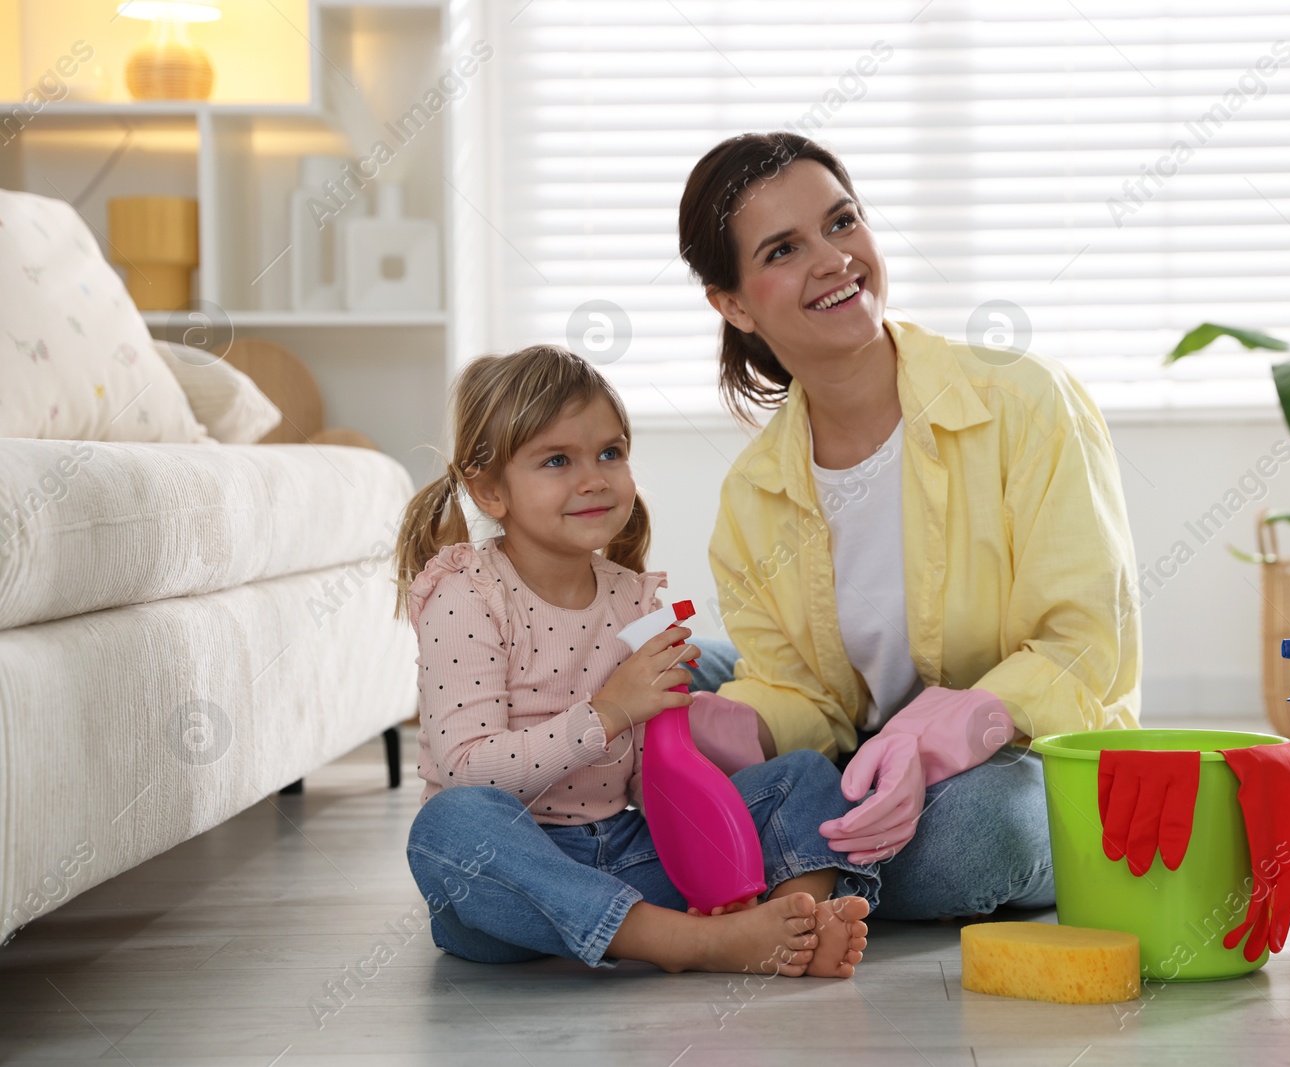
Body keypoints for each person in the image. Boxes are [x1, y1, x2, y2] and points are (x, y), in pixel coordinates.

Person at [676, 132, 1142, 920]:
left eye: (843, 221)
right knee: (673, 678)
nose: (833, 259)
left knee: (976, 832)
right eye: (785, 248)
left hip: (1020, 758)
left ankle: (772, 867)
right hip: (862, 757)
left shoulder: (1025, 402)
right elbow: (812, 701)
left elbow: (1085, 652)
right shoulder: (753, 495)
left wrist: (937, 733)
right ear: (733, 302)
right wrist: (733, 727)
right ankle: (798, 854)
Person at [395, 344, 876, 976]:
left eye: (610, 453)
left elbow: (652, 788)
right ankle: (694, 944)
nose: (594, 478)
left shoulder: (637, 601)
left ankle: (787, 923)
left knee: (806, 775)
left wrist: (689, 757)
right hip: (512, 882)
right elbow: (463, 770)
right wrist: (607, 712)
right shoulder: (466, 592)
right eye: (557, 460)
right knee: (448, 828)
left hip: (626, 856)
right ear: (490, 490)